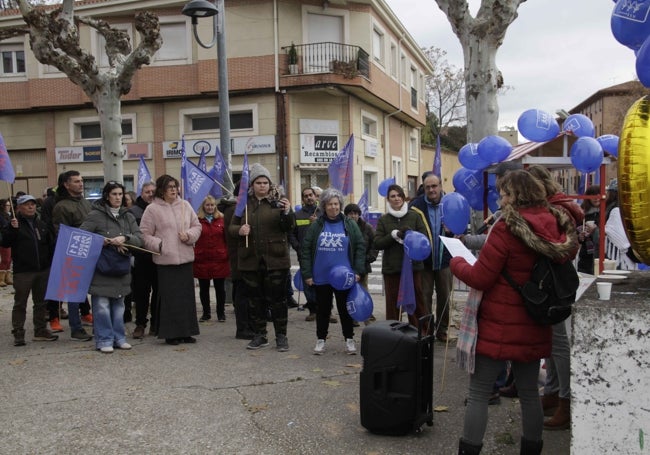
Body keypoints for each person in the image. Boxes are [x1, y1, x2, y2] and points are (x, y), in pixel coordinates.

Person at [450, 170, 578, 455]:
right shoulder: (555, 223)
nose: (501, 199)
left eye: (504, 193)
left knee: (479, 393)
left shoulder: (508, 228)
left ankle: (469, 450)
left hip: (499, 323)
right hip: (535, 319)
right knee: (531, 393)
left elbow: (481, 277)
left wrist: (457, 262)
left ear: (515, 195)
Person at [527, 164, 583, 432]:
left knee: (559, 343)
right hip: (551, 279)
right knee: (552, 341)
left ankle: (566, 400)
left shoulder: (556, 209)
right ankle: (552, 391)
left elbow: (562, 248)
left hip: (556, 282)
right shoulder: (554, 206)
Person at [229, 163, 295, 351]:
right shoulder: (243, 204)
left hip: (275, 260)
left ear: (269, 184)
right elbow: (231, 228)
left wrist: (288, 212)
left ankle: (281, 336)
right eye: (258, 182)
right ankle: (260, 335)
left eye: (265, 182)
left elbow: (289, 227)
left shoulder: (279, 201)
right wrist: (240, 230)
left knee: (278, 300)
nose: (262, 185)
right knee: (254, 300)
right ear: (252, 185)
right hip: (251, 259)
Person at [80, 181, 143, 354]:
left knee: (119, 307)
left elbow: (140, 238)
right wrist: (103, 241)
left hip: (121, 268)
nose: (117, 197)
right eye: (114, 194)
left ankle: (119, 337)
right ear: (107, 196)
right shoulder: (95, 215)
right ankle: (104, 339)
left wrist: (125, 238)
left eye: (120, 194)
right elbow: (82, 236)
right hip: (101, 268)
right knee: (101, 307)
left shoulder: (128, 216)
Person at [301, 188, 365, 355]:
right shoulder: (317, 225)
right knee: (322, 310)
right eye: (330, 204)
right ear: (324, 205)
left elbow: (360, 246)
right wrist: (307, 274)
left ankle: (349, 340)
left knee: (345, 310)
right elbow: (306, 249)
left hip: (344, 277)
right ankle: (321, 340)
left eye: (336, 204)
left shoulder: (349, 224)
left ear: (340, 205)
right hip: (321, 277)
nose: (333, 207)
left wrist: (358, 270)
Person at [140, 175, 202, 346]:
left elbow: (197, 226)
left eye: (175, 186)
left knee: (186, 298)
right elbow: (144, 234)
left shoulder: (185, 205)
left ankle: (187, 331)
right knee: (170, 299)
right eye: (170, 187)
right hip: (166, 261)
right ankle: (171, 333)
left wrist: (189, 235)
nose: (174, 190)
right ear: (161, 190)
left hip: (185, 258)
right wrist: (160, 245)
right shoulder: (152, 209)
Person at [2, 195, 58, 346]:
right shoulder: (14, 224)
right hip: (23, 271)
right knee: (20, 303)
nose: (30, 207)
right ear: (19, 207)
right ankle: (18, 332)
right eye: (26, 204)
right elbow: (5, 242)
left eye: (32, 204)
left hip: (42, 269)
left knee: (40, 303)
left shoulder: (41, 224)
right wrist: (12, 230)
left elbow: (50, 243)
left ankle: (40, 330)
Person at [374, 184, 429, 328]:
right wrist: (393, 235)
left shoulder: (414, 216)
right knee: (392, 306)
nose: (396, 198)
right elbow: (377, 243)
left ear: (403, 197)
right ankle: (392, 336)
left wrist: (411, 236)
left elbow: (424, 238)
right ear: (388, 199)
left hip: (413, 268)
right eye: (393, 196)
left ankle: (421, 334)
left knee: (417, 303)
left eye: (399, 195)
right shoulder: (384, 220)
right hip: (392, 269)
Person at [409, 172, 454, 342]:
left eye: (434, 186)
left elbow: (462, 229)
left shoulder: (451, 203)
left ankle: (442, 331)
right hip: (424, 261)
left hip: (445, 260)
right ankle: (427, 330)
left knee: (445, 297)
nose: (431, 190)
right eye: (428, 187)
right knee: (424, 297)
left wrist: (453, 231)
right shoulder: (416, 205)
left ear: (440, 186)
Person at [52, 170, 94, 341]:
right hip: (73, 255)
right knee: (74, 294)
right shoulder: (61, 207)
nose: (81, 183)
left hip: (90, 251)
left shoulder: (86, 203)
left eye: (81, 180)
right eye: (76, 181)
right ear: (66, 185)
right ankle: (76, 328)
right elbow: (62, 233)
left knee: (87, 291)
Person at [219, 183, 255, 340]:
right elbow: (235, 233)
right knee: (242, 293)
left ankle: (247, 325)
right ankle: (243, 328)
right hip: (240, 256)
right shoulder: (236, 210)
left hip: (241, 256)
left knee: (244, 292)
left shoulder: (236, 208)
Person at [128, 182, 158, 339]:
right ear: (142, 193)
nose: (151, 194)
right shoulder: (133, 211)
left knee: (158, 294)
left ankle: (155, 323)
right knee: (141, 295)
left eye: (153, 191)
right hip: (141, 259)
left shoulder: (161, 208)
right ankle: (140, 324)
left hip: (159, 258)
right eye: (147, 191)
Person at [194, 195, 230, 322]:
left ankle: (221, 313)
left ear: (215, 206)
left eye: (212, 205)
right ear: (203, 206)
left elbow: (227, 238)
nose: (210, 207)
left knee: (220, 288)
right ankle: (206, 313)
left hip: (219, 258)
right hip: (202, 258)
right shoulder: (197, 220)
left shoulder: (222, 220)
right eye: (207, 205)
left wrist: (226, 253)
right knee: (203, 289)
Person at [343, 203, 378, 324]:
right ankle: (353, 316)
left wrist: (370, 257)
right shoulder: (343, 227)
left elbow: (375, 244)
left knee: (363, 291)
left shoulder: (366, 227)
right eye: (350, 213)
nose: (353, 216)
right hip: (347, 266)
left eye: (355, 213)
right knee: (349, 291)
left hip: (363, 266)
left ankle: (366, 314)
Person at [289, 187, 320, 320]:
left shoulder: (323, 213)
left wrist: (318, 222)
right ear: (303, 199)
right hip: (304, 255)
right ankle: (313, 310)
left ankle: (327, 310)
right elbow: (291, 234)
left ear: (315, 196)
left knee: (324, 283)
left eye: (311, 195)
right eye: (306, 196)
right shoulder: (297, 215)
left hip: (322, 254)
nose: (309, 197)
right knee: (308, 283)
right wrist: (298, 248)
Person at [577, 185, 600, 274]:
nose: (596, 198)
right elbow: (576, 230)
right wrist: (580, 236)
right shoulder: (582, 212)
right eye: (593, 195)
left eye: (598, 195)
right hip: (586, 253)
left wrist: (595, 230)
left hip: (601, 252)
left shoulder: (605, 212)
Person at [0, 198, 13, 287]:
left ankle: (7, 277)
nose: (9, 207)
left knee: (10, 259)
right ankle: (1, 278)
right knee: (5, 258)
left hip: (10, 238)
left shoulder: (8, 215)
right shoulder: (1, 216)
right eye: (7, 205)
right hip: (3, 239)